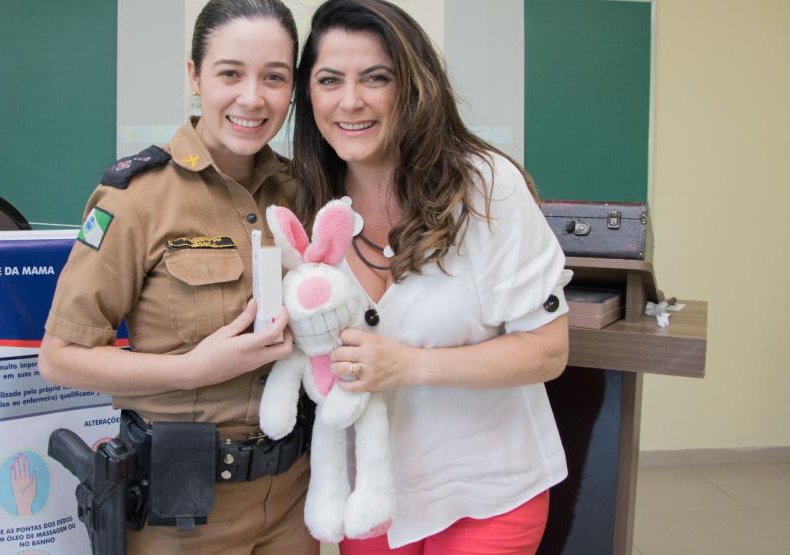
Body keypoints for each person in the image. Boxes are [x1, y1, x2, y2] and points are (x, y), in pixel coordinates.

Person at [291, 1, 571, 553]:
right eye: (329, 80)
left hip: (489, 495)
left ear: (413, 86)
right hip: (372, 500)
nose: (351, 101)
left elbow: (547, 351)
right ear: (310, 96)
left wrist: (411, 366)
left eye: (377, 78)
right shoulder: (303, 204)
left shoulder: (487, 188)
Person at [38, 1, 318, 553]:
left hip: (293, 503)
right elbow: (59, 356)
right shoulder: (137, 197)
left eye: (274, 78)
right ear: (194, 76)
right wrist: (192, 368)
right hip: (182, 514)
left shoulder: (301, 191)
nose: (252, 97)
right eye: (230, 73)